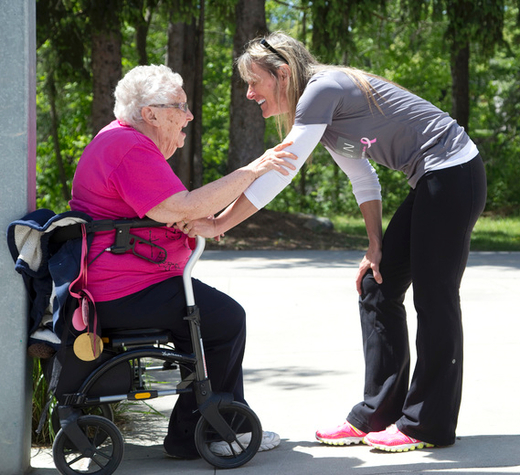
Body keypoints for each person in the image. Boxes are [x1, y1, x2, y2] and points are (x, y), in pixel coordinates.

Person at [185, 32, 487, 452]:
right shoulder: (325, 118)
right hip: (433, 180)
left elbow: (281, 170)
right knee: (376, 285)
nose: (249, 93)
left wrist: (221, 221)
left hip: (454, 172)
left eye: (254, 82)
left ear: (283, 74)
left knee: (435, 297)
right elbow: (363, 177)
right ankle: (379, 413)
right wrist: (375, 244)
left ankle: (426, 424)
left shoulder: (322, 90)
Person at [69, 64, 297, 459]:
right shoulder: (128, 147)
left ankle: (193, 433)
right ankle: (210, 434)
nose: (189, 115)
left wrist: (197, 219)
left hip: (126, 280)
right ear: (151, 114)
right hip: (127, 288)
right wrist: (253, 169)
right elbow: (183, 205)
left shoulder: (123, 142)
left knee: (208, 324)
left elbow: (174, 210)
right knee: (225, 321)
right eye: (180, 106)